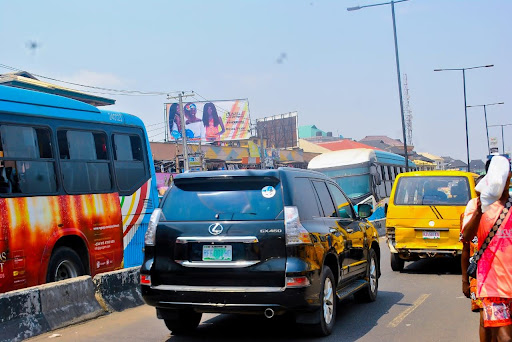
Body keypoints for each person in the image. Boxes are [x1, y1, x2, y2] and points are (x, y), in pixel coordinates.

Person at [462, 156, 512, 341]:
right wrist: (480, 210)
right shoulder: (476, 205)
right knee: (505, 337)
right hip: (493, 286)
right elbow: (466, 237)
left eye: (506, 176)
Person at [461, 172, 495, 342]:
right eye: (478, 192)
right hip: (479, 276)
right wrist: (465, 280)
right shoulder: (469, 213)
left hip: (500, 276)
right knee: (484, 319)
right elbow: (465, 248)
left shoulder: (501, 211)